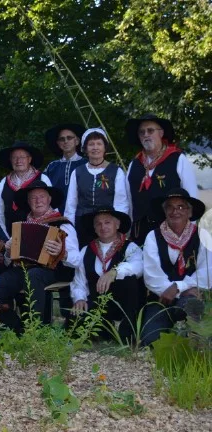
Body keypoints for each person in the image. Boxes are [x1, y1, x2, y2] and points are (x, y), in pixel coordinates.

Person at [0, 181, 80, 329]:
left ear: (49, 199)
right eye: (33, 198)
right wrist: (8, 251)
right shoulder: (21, 225)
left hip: (55, 270)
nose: (38, 201)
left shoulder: (62, 224)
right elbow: (8, 262)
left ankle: (36, 330)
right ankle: (17, 329)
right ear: (28, 201)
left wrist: (62, 253)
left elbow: (76, 260)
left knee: (34, 275)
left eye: (42, 197)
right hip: (23, 270)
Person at [140, 189, 211, 346]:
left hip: (191, 297)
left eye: (181, 207)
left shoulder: (202, 235)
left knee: (193, 334)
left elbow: (207, 273)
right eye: (170, 207)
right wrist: (175, 290)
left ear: (190, 212)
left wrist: (178, 287)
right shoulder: (153, 236)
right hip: (160, 298)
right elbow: (152, 276)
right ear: (164, 211)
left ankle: (191, 336)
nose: (175, 211)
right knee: (150, 340)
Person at [70, 207, 143, 342]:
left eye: (107, 222)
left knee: (129, 280)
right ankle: (103, 333)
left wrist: (114, 272)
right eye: (98, 223)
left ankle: (127, 335)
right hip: (98, 303)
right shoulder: (86, 250)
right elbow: (79, 281)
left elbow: (138, 267)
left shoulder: (130, 247)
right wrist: (79, 299)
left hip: (123, 304)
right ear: (94, 228)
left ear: (117, 225)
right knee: (75, 319)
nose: (103, 227)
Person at [125, 114, 198, 245]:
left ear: (161, 133)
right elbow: (129, 201)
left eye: (150, 130)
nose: (146, 135)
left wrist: (190, 233)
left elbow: (192, 198)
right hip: (140, 234)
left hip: (172, 232)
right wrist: (128, 231)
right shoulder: (134, 164)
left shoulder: (178, 159)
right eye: (142, 132)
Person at [64, 128, 129, 246]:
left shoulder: (116, 171)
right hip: (82, 225)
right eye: (91, 144)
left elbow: (121, 203)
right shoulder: (77, 172)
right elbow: (71, 204)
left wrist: (118, 227)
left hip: (107, 226)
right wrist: (70, 229)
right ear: (85, 149)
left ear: (105, 148)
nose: (95, 147)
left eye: (99, 144)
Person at [0, 141, 51, 237]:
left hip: (38, 236)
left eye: (22, 157)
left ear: (29, 159)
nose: (18, 161)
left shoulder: (43, 178)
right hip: (10, 237)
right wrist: (5, 237)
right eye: (14, 157)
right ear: (10, 160)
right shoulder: (4, 182)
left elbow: (51, 210)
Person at [43, 123, 87, 213]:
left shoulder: (87, 164)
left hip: (82, 213)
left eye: (69, 138)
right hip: (56, 214)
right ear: (58, 143)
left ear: (77, 141)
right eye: (62, 139)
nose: (66, 141)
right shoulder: (51, 167)